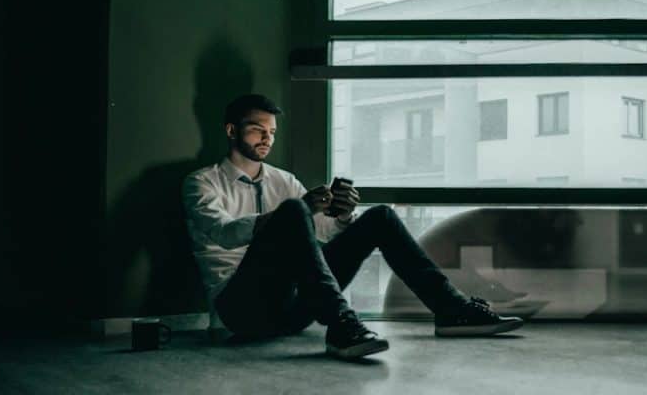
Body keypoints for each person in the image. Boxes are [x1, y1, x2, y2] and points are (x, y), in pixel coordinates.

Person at [182, 94, 523, 359]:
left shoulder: (284, 181)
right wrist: (292, 213)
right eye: (257, 129)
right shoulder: (202, 183)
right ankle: (341, 324)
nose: (266, 139)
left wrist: (342, 215)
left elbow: (319, 239)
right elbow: (223, 233)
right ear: (231, 130)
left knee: (379, 217)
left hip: (295, 310)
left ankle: (452, 310)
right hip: (240, 310)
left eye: (271, 132)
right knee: (291, 212)